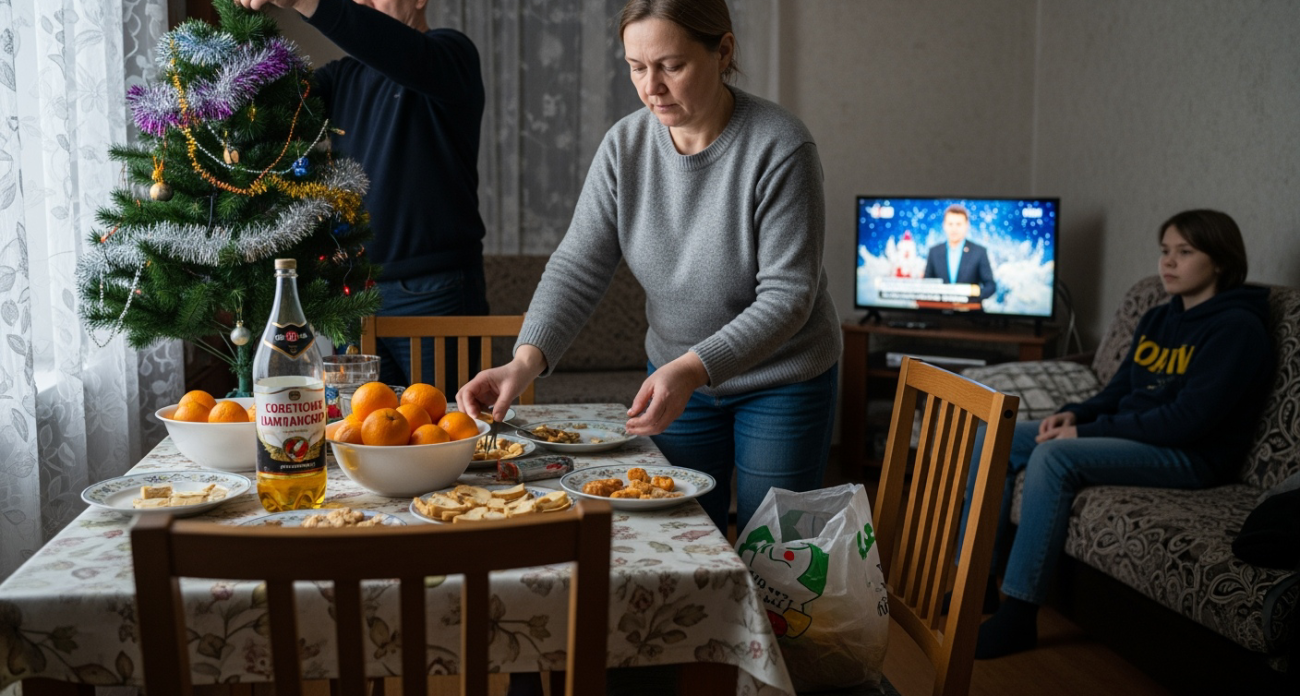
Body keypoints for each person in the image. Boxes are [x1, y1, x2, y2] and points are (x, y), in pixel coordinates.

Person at [457, 0, 842, 535]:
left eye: (671, 66)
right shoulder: (625, 145)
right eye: (637, 67)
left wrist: (691, 368)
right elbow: (577, 266)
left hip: (782, 379)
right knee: (681, 536)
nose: (651, 87)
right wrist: (523, 363)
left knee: (774, 553)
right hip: (675, 379)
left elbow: (788, 297)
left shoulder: (780, 146)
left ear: (722, 51)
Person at [958, 209, 1273, 659]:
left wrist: (1087, 432)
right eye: (1165, 251)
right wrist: (1073, 414)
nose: (1168, 262)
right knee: (992, 437)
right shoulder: (1158, 318)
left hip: (1191, 455)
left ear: (1221, 261)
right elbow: (1119, 389)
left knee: (1053, 457)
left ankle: (1020, 615)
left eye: (1185, 252)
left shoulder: (1238, 328)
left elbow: (1187, 421)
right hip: (1135, 436)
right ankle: (975, 582)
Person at [237, 0, 489, 387]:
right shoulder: (341, 77)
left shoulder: (452, 55)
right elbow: (270, 107)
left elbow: (385, 42)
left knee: (444, 418)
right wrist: (240, 25)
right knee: (359, 420)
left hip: (433, 290)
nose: (364, 3)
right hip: (354, 291)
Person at [923, 204, 997, 302]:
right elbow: (927, 284)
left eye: (958, 224)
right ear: (944, 225)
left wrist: (970, 297)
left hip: (969, 309)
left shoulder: (979, 252)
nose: (954, 229)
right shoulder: (934, 251)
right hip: (939, 309)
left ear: (967, 225)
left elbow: (990, 286)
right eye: (950, 224)